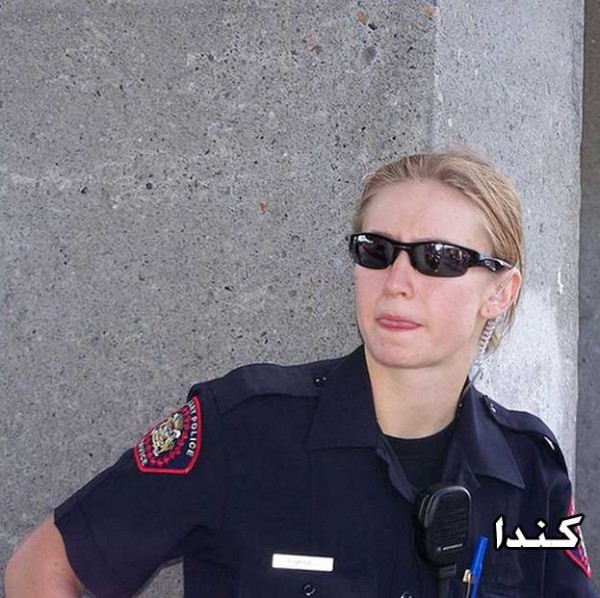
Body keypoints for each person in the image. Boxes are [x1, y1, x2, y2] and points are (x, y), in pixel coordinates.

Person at [5, 150, 597, 597]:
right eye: (375, 250)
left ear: (500, 292)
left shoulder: (529, 469)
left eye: (438, 259)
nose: (397, 281)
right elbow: (43, 566)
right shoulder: (242, 429)